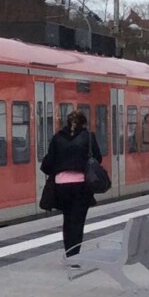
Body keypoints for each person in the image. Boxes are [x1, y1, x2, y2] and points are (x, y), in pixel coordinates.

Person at [41, 109, 102, 256]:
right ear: (84, 123)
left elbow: (48, 163)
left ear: (67, 123)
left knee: (67, 220)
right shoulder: (88, 137)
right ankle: (74, 255)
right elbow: (98, 158)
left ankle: (69, 253)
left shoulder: (57, 138)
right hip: (81, 186)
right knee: (78, 222)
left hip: (61, 186)